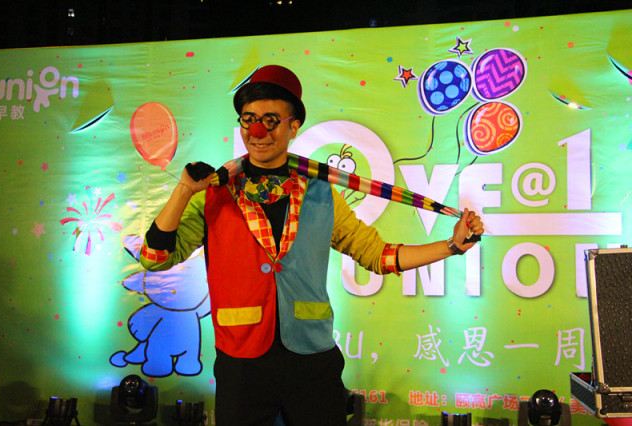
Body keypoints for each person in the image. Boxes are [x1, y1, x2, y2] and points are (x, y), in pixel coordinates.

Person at [140, 64, 484, 425]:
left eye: (271, 120)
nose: (257, 131)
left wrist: (452, 245)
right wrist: (184, 190)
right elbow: (154, 258)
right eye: (249, 119)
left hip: (312, 359)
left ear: (293, 127)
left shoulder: (321, 191)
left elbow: (378, 255)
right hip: (241, 358)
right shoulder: (214, 193)